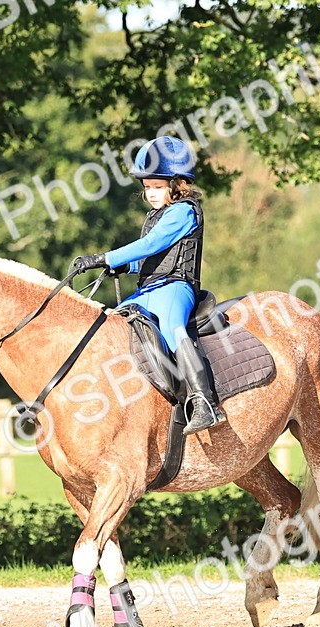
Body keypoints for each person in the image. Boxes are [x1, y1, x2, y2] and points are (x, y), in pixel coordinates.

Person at [73, 136, 226, 434]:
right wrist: (120, 265)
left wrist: (104, 257)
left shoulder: (184, 211)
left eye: (158, 187)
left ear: (177, 184)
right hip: (147, 291)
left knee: (172, 327)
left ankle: (204, 401)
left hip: (175, 289)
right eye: (147, 188)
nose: (152, 194)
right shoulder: (156, 215)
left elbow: (151, 244)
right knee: (113, 326)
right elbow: (150, 258)